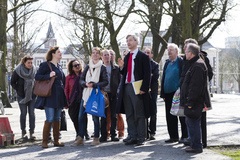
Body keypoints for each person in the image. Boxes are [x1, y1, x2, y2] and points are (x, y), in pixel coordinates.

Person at [117, 34, 151, 146]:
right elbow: (124, 73)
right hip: (127, 87)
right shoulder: (127, 57)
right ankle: (133, 135)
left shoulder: (143, 56)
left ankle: (142, 137)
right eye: (127, 41)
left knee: (139, 113)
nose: (128, 42)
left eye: (130, 40)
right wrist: (121, 67)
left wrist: (144, 88)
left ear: (137, 42)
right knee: (129, 113)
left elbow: (147, 74)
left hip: (137, 87)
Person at [72, 47, 108, 146]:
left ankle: (96, 138)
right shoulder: (88, 66)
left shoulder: (102, 67)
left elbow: (105, 82)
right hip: (86, 94)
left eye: (97, 53)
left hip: (95, 94)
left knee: (95, 118)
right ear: (91, 54)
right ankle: (80, 138)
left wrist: (94, 85)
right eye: (93, 53)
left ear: (100, 55)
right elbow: (81, 79)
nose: (95, 54)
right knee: (81, 117)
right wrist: (85, 84)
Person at [181, 38, 213, 148]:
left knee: (194, 124)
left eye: (186, 51)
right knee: (191, 123)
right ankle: (194, 144)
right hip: (192, 101)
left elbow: (195, 87)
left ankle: (196, 146)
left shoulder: (198, 65)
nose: (185, 53)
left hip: (194, 102)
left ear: (190, 52)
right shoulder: (194, 64)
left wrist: (190, 102)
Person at [35, 46, 67, 148]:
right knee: (50, 118)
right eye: (58, 52)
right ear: (53, 54)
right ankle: (44, 141)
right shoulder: (45, 65)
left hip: (59, 96)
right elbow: (37, 77)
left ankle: (56, 140)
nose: (60, 53)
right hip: (49, 96)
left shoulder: (59, 66)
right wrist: (48, 75)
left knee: (57, 118)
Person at [160, 43, 188, 143]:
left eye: (171, 50)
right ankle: (173, 136)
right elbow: (164, 78)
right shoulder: (167, 62)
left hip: (177, 93)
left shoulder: (181, 62)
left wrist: (180, 89)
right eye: (168, 50)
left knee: (181, 115)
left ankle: (184, 136)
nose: (169, 52)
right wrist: (162, 93)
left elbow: (183, 76)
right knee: (170, 116)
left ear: (177, 51)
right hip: (167, 93)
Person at [11, 55, 37, 140]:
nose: (30, 64)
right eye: (28, 63)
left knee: (32, 113)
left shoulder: (34, 70)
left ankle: (32, 132)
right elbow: (13, 82)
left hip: (32, 95)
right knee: (23, 113)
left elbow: (37, 81)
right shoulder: (18, 71)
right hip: (21, 95)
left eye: (31, 63)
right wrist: (19, 90)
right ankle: (23, 132)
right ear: (24, 62)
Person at [65, 60, 90, 140]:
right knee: (74, 116)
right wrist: (67, 101)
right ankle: (78, 132)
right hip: (73, 100)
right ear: (71, 68)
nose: (77, 66)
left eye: (78, 64)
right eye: (75, 65)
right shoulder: (68, 77)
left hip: (83, 98)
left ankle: (85, 132)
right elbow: (66, 89)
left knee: (83, 117)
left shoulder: (84, 75)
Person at [101, 50, 121, 142]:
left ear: (110, 56)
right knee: (103, 116)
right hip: (103, 94)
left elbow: (119, 80)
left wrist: (117, 91)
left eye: (108, 55)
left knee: (113, 115)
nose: (106, 56)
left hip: (113, 94)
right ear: (102, 57)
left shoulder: (116, 68)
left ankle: (114, 134)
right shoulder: (100, 68)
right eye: (104, 55)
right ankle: (104, 135)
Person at [107, 49, 124, 139]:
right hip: (106, 93)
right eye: (108, 54)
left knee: (117, 114)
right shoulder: (104, 66)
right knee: (107, 114)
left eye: (112, 54)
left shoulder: (117, 68)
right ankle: (107, 131)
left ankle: (120, 132)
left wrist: (119, 92)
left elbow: (121, 80)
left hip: (115, 93)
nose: (110, 56)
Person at [144, 47, 159, 140]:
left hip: (153, 91)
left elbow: (155, 77)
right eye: (145, 52)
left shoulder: (155, 65)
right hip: (144, 91)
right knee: (144, 111)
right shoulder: (142, 64)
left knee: (153, 111)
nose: (147, 54)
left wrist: (148, 76)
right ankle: (145, 132)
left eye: (148, 52)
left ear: (152, 54)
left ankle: (152, 131)